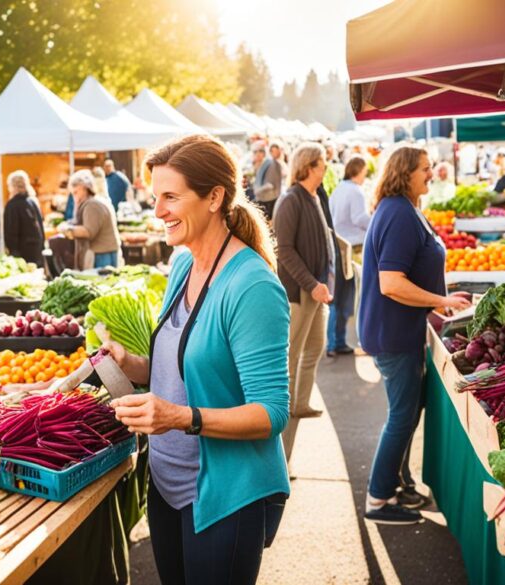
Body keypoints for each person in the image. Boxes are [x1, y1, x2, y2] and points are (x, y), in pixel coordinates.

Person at [105, 135, 289, 585]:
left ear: (214, 197)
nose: (158, 212)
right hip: (167, 487)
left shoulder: (252, 287)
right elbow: (181, 365)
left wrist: (180, 417)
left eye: (171, 197)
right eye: (155, 198)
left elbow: (272, 413)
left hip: (224, 495)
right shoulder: (184, 265)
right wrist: (130, 365)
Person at [359, 147, 471, 525]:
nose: (431, 173)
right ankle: (377, 499)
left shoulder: (403, 209)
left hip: (400, 331)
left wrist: (441, 296)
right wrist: (441, 300)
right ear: (404, 173)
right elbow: (391, 283)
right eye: (424, 169)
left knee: (408, 412)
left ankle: (398, 482)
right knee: (402, 416)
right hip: (393, 334)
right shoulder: (398, 213)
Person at [273, 143, 334, 463]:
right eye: (322, 164)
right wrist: (311, 285)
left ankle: (300, 404)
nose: (325, 168)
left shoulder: (313, 197)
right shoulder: (290, 200)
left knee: (315, 347)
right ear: (308, 166)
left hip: (315, 291)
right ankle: (281, 430)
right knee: (291, 354)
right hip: (298, 293)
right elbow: (284, 251)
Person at [327, 156, 372, 356]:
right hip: (353, 247)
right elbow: (359, 218)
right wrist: (376, 222)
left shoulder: (339, 188)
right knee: (351, 296)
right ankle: (339, 341)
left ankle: (334, 341)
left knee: (339, 295)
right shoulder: (355, 191)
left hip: (338, 244)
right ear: (358, 170)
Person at [59, 169, 121, 270]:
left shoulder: (92, 205)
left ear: (85, 188)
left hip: (102, 255)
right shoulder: (96, 201)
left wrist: (66, 229)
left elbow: (88, 231)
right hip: (105, 252)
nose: (75, 198)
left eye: (76, 192)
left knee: (101, 284)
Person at [3, 170, 45, 267]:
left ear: (12, 186)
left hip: (22, 253)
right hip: (37, 250)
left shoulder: (12, 205)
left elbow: (10, 232)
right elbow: (41, 226)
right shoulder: (33, 202)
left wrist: (13, 253)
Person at [254, 142, 286, 220]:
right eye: (256, 152)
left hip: (270, 198)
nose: (258, 154)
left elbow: (272, 184)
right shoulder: (263, 164)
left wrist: (258, 190)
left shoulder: (274, 163)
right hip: (264, 198)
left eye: (261, 151)